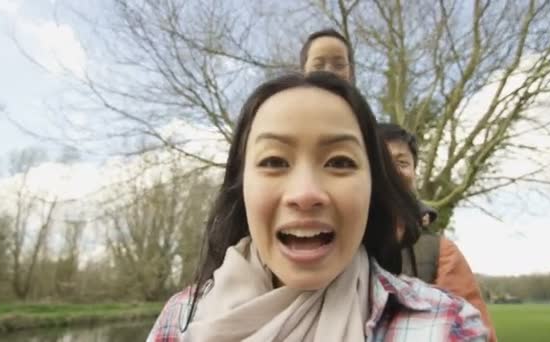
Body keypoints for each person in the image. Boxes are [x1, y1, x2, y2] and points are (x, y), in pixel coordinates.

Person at [147, 72, 488, 341]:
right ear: (242, 187)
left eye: (340, 162)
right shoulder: (179, 322)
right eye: (275, 161)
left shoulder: (447, 327)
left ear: (373, 188)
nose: (306, 194)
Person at [378, 122, 497, 342]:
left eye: (402, 162)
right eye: (380, 161)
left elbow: (476, 331)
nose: (392, 171)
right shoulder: (334, 241)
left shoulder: (439, 251)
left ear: (414, 173)